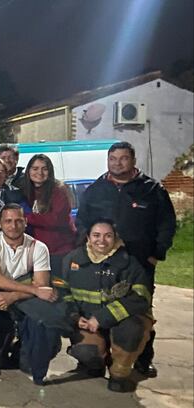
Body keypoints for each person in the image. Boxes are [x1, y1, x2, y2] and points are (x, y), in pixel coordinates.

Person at [75, 141, 176, 377]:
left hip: (139, 263)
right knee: (99, 305)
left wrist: (155, 254)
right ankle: (98, 355)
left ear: (133, 161)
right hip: (102, 263)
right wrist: (86, 248)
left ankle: (142, 358)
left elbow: (166, 225)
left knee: (140, 310)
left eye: (123, 158)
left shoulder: (152, 190)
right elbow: (82, 221)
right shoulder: (96, 189)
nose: (117, 163)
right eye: (113, 159)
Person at [54, 218, 154, 393]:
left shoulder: (130, 263)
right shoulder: (72, 260)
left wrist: (102, 318)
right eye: (96, 235)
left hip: (123, 322)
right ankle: (97, 363)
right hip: (87, 322)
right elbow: (62, 293)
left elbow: (141, 297)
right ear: (88, 238)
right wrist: (74, 317)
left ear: (115, 238)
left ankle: (119, 374)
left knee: (132, 332)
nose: (101, 240)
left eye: (108, 236)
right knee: (87, 352)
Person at [0, 203, 61, 385]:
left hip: (23, 300)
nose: (13, 226)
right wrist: (32, 290)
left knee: (36, 350)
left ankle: (23, 351)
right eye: (8, 221)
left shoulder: (39, 247)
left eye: (18, 221)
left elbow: (42, 284)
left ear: (25, 222)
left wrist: (14, 296)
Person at [20, 154, 76, 278]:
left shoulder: (59, 190)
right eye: (35, 168)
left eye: (44, 169)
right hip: (36, 252)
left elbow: (54, 219)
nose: (39, 172)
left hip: (59, 251)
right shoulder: (25, 191)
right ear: (28, 171)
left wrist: (25, 218)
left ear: (50, 171)